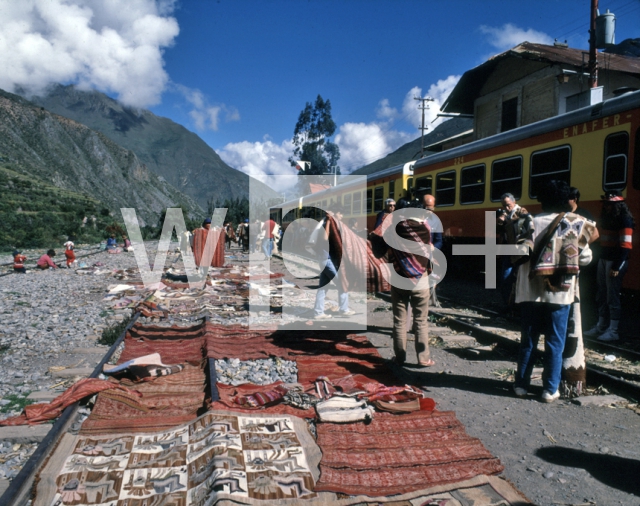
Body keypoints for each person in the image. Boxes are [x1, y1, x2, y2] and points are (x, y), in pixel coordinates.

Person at [512, 180, 595, 402]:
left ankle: (521, 384)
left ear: (542, 200)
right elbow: (585, 258)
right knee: (555, 343)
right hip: (561, 292)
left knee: (528, 341)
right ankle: (549, 389)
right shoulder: (576, 223)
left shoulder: (528, 221)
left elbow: (517, 254)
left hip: (530, 291)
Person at [374, 199, 434, 366]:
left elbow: (377, 250)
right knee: (421, 321)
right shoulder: (425, 229)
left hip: (399, 279)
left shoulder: (392, 229)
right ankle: (423, 359)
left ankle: (400, 358)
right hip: (420, 280)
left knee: (399, 320)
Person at [584, 190, 635, 341]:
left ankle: (613, 331)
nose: (607, 207)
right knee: (601, 294)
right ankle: (601, 326)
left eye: (610, 204)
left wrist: (616, 266)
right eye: (606, 204)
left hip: (615, 261)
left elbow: (626, 246)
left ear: (618, 205)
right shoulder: (607, 218)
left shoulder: (625, 220)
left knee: (612, 296)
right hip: (604, 260)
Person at [312, 207, 355, 319]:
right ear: (335, 213)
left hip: (326, 259)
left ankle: (318, 312)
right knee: (342, 284)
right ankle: (344, 309)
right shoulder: (327, 223)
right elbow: (325, 238)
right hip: (326, 260)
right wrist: (329, 221)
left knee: (323, 287)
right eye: (340, 213)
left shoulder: (332, 224)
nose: (342, 216)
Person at [496, 193, 529, 309]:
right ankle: (507, 304)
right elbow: (498, 231)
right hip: (506, 250)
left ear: (514, 202)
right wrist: (500, 221)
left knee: (517, 279)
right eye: (504, 206)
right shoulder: (504, 214)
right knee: (505, 278)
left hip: (517, 250)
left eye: (508, 205)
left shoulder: (522, 212)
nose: (506, 208)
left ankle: (515, 305)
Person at [415, 188, 443, 307]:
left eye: (431, 209)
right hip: (416, 253)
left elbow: (439, 240)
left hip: (429, 254)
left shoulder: (436, 221)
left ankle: (429, 299)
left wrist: (434, 247)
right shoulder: (415, 219)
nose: (429, 211)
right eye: (427, 208)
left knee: (432, 277)